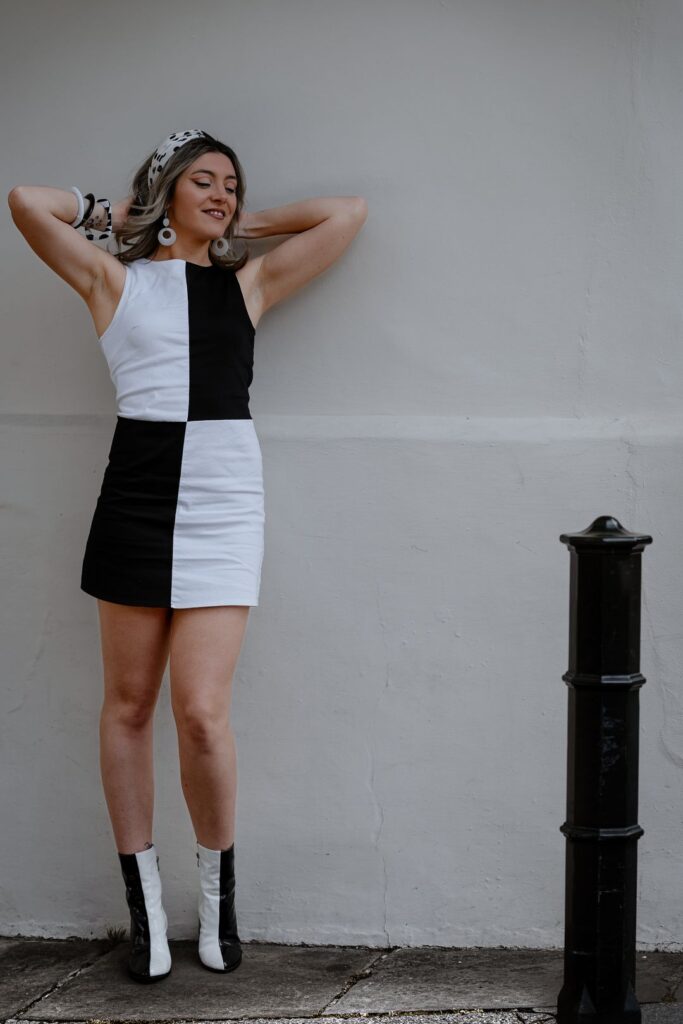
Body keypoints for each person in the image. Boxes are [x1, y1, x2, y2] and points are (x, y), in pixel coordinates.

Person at [7, 128, 368, 982]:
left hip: (221, 507)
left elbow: (345, 214)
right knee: (127, 707)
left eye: (230, 185)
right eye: (201, 181)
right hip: (134, 501)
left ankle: (216, 905)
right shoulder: (113, 280)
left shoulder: (246, 284)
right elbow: (26, 202)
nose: (221, 193)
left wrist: (235, 226)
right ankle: (146, 917)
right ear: (165, 189)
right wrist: (120, 216)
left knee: (201, 713)